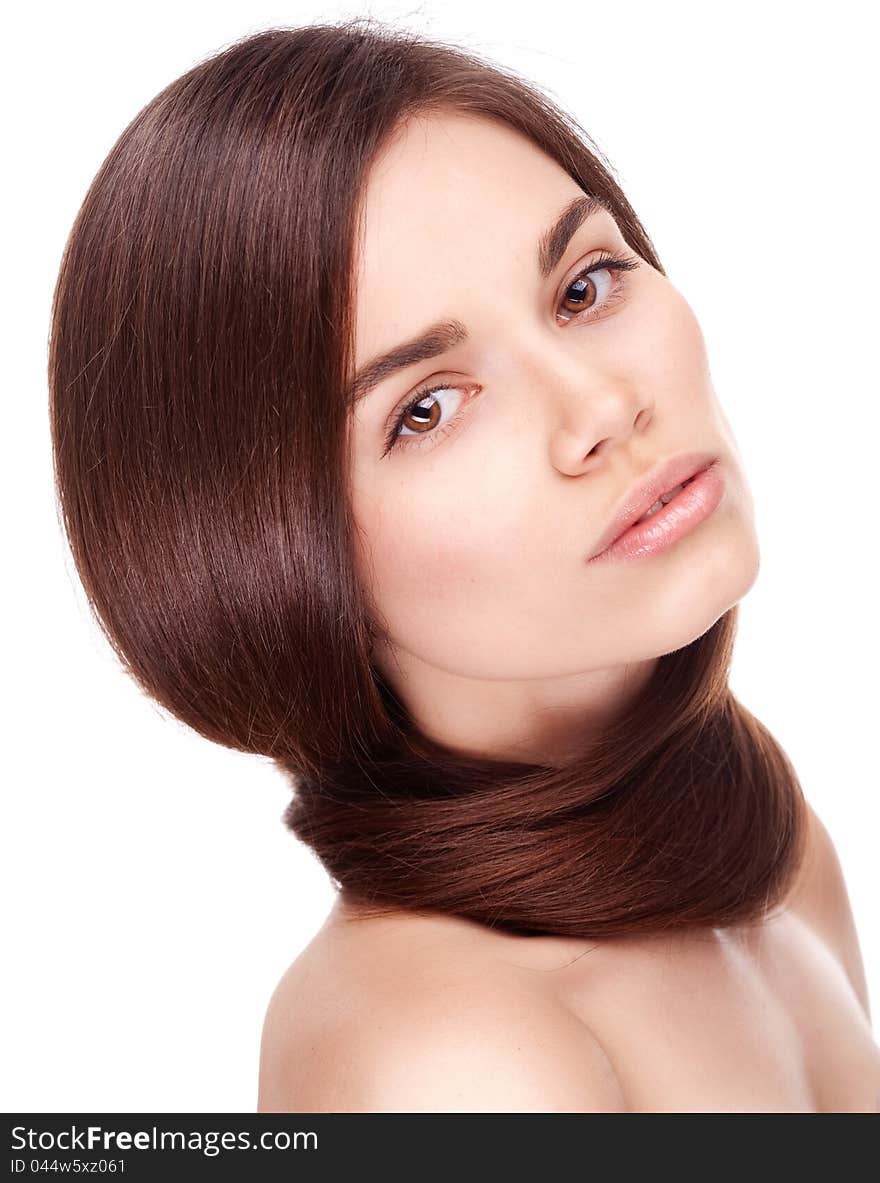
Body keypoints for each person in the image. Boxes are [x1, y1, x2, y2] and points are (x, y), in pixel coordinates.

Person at [47, 19, 879, 1112]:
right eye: (426, 408)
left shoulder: (762, 844)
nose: (599, 409)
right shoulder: (441, 1058)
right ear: (262, 557)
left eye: (583, 286)